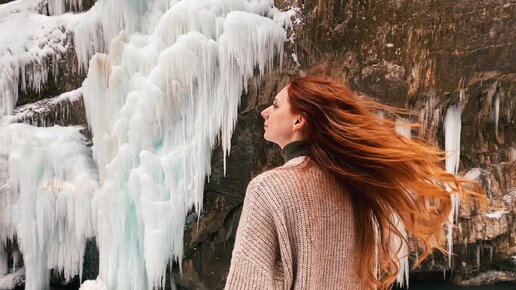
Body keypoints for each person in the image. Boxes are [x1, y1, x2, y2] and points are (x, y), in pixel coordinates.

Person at [224, 76, 485, 290]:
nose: (264, 111)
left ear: (299, 120)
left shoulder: (268, 188)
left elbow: (248, 282)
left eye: (276, 105)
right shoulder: (359, 188)